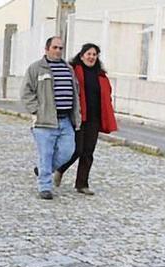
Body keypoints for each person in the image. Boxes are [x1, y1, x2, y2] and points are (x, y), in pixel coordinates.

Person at [21, 36, 80, 200]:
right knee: (45, 154)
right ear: (47, 49)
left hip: (65, 119)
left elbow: (75, 92)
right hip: (44, 121)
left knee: (68, 151)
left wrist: (76, 114)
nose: (58, 51)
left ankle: (42, 169)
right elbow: (26, 93)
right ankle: (45, 187)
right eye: (55, 47)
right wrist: (36, 111)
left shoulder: (68, 68)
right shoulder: (36, 68)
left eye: (61, 48)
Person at [56, 43, 117, 195]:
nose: (91, 57)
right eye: (89, 54)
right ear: (82, 55)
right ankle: (59, 169)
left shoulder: (101, 76)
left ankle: (82, 184)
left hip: (94, 118)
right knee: (76, 149)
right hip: (78, 116)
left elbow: (107, 95)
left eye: (94, 55)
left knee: (88, 152)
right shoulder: (73, 70)